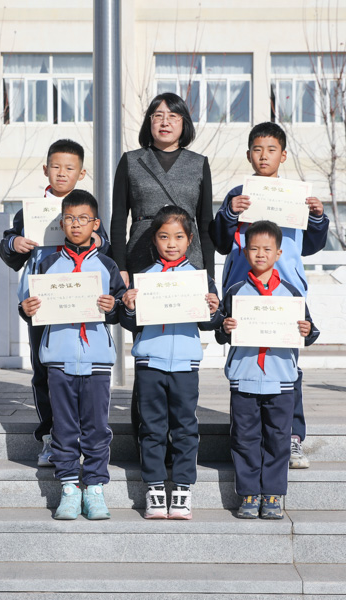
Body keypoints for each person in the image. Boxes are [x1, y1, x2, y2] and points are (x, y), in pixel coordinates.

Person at [209, 121, 328, 470]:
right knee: (245, 362)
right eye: (258, 150)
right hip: (244, 289)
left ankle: (291, 437)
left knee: (287, 365)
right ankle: (246, 436)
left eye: (271, 150)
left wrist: (318, 217)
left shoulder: (296, 195)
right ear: (249, 154)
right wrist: (229, 213)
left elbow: (310, 246)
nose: (264, 156)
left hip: (284, 289)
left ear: (283, 155)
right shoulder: (238, 194)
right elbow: (221, 241)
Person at [110, 92, 215, 449]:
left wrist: (207, 275)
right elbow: (118, 218)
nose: (165, 121)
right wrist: (121, 268)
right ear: (149, 122)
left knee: (181, 345)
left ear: (184, 123)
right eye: (157, 115)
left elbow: (205, 222)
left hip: (188, 258)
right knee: (147, 346)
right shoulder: (131, 160)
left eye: (173, 116)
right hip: (143, 258)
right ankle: (147, 439)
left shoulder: (199, 163)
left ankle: (179, 434)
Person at [0, 139, 109, 468]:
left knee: (83, 371)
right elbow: (8, 246)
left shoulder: (89, 209)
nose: (62, 173)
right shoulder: (30, 210)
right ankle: (50, 436)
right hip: (43, 303)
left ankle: (83, 437)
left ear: (82, 173)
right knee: (45, 370)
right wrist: (15, 242)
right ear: (45, 169)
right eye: (56, 167)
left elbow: (107, 248)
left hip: (82, 300)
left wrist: (99, 241)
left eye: (70, 168)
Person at [19, 190, 126, 521]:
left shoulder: (107, 265)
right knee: (64, 427)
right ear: (61, 223)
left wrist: (113, 307)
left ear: (95, 224)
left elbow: (121, 309)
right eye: (69, 218)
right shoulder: (47, 264)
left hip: (96, 360)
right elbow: (30, 308)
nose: (76, 224)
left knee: (96, 428)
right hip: (58, 358)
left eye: (83, 219)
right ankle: (68, 487)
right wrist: (26, 309)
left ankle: (94, 488)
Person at [118, 206, 223, 520]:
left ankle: (182, 489)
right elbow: (129, 322)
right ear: (154, 240)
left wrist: (214, 310)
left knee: (185, 428)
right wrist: (129, 307)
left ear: (189, 239)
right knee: (151, 429)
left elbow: (209, 324)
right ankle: (153, 488)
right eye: (164, 237)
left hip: (185, 365)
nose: (171, 243)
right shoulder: (144, 280)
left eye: (178, 237)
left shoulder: (200, 280)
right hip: (150, 362)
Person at [215, 220, 320, 519]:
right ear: (245, 252)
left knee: (278, 439)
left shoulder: (292, 293)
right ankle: (249, 493)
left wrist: (306, 330)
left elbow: (311, 332)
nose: (260, 254)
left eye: (267, 249)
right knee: (244, 439)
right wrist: (225, 327)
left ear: (279, 253)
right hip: (244, 378)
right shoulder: (235, 292)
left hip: (281, 380)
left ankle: (273, 494)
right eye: (254, 249)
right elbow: (220, 334)